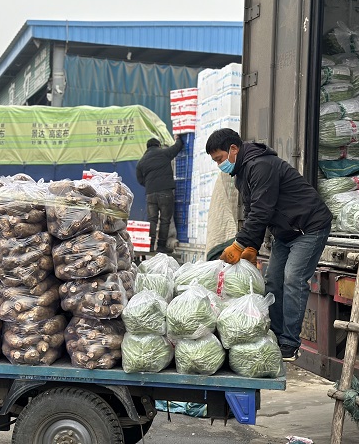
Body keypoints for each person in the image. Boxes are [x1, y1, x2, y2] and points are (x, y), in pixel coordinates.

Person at [205, 128, 332, 361]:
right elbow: (253, 210)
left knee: (293, 278)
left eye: (220, 159)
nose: (219, 165)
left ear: (233, 149)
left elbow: (263, 210)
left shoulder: (261, 166)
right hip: (285, 232)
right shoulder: (242, 174)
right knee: (273, 280)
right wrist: (251, 246)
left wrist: (239, 244)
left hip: (309, 226)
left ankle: (290, 343)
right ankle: (274, 334)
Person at [136, 134, 184, 253]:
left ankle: (150, 246)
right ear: (158, 145)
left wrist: (149, 186)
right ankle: (161, 246)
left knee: (152, 220)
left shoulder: (141, 162)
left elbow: (140, 180)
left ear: (147, 147)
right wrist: (178, 138)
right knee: (165, 219)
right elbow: (177, 147)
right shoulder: (164, 153)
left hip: (150, 194)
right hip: (165, 192)